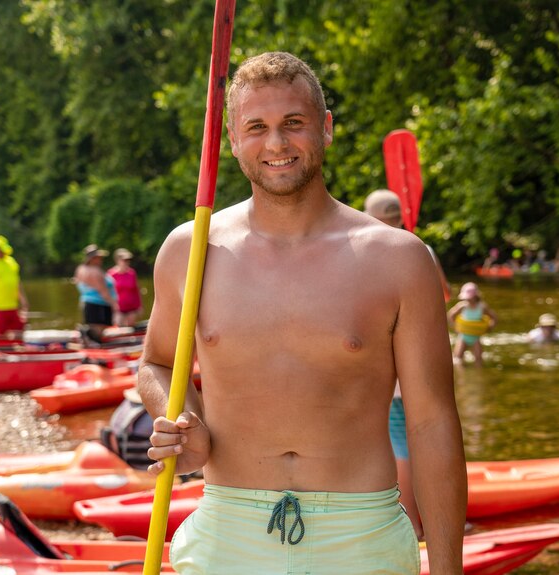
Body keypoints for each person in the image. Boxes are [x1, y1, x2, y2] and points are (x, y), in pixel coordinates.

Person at [137, 52, 466, 574]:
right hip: (229, 529)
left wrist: (448, 570)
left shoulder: (400, 258)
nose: (276, 143)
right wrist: (183, 418)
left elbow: (431, 423)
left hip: (361, 533)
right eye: (257, 127)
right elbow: (155, 362)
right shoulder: (190, 251)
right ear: (231, 139)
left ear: (325, 128)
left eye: (294, 123)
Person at [363, 188, 452, 539]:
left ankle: (413, 526)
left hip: (384, 372)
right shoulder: (421, 250)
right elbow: (444, 294)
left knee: (398, 446)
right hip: (425, 368)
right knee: (428, 439)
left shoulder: (360, 252)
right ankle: (429, 522)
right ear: (401, 216)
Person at [74, 244, 118, 343]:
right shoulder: (95, 271)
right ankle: (96, 350)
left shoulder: (80, 269)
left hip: (87, 303)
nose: (101, 259)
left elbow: (79, 285)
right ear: (93, 258)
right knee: (98, 331)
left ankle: (88, 341)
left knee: (94, 329)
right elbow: (103, 291)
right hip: (99, 305)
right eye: (98, 257)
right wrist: (114, 304)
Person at [448, 282, 497, 367]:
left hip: (476, 336)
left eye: (470, 298)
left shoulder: (482, 307)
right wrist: (455, 326)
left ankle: (478, 376)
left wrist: (489, 327)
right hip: (463, 335)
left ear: (475, 296)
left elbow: (494, 317)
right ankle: (462, 376)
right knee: (457, 359)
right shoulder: (462, 306)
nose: (468, 300)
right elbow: (450, 315)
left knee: (478, 360)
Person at [108, 248, 142, 327]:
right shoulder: (111, 274)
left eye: (128, 260)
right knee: (118, 325)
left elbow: (136, 290)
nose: (127, 262)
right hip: (118, 308)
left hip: (131, 307)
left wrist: (139, 306)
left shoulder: (132, 273)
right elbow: (108, 292)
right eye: (124, 260)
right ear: (117, 260)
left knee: (130, 327)